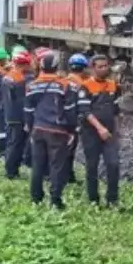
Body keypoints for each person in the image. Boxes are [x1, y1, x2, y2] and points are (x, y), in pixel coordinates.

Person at [25, 51, 78, 209]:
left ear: (41, 67)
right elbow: (70, 109)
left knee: (38, 165)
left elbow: (28, 111)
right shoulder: (64, 85)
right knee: (57, 166)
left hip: (38, 129)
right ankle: (55, 200)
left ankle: (36, 198)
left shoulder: (32, 85)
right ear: (56, 67)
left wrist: (31, 127)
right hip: (58, 131)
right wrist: (71, 130)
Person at [77, 54, 121, 207]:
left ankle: (112, 200)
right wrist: (99, 128)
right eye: (100, 67)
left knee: (113, 164)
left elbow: (115, 110)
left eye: (106, 65)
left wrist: (116, 130)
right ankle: (93, 199)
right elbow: (85, 111)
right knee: (92, 166)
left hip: (109, 132)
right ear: (93, 68)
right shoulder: (85, 86)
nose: (104, 69)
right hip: (91, 133)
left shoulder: (113, 85)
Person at [3, 50, 33, 178]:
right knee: (16, 144)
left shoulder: (8, 76)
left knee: (12, 143)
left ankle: (11, 170)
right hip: (18, 117)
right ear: (24, 64)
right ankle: (11, 172)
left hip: (9, 114)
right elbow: (23, 102)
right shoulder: (20, 80)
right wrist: (27, 120)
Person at [63, 53, 90, 184]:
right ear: (84, 68)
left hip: (61, 121)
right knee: (69, 149)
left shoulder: (64, 82)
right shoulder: (83, 85)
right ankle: (68, 177)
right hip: (73, 122)